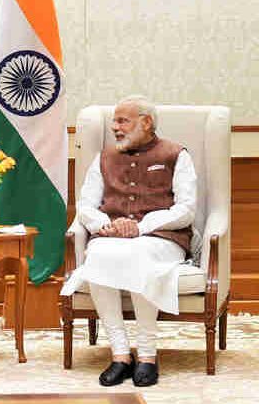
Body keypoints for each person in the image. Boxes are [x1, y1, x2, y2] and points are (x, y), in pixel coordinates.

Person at [60, 95, 197, 387]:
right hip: (111, 235)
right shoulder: (104, 158)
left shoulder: (176, 154)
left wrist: (141, 227)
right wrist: (107, 225)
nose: (115, 127)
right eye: (114, 121)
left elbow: (186, 209)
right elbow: (85, 205)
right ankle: (120, 355)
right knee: (98, 256)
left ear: (146, 122)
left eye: (123, 121)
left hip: (161, 238)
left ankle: (147, 355)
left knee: (138, 256)